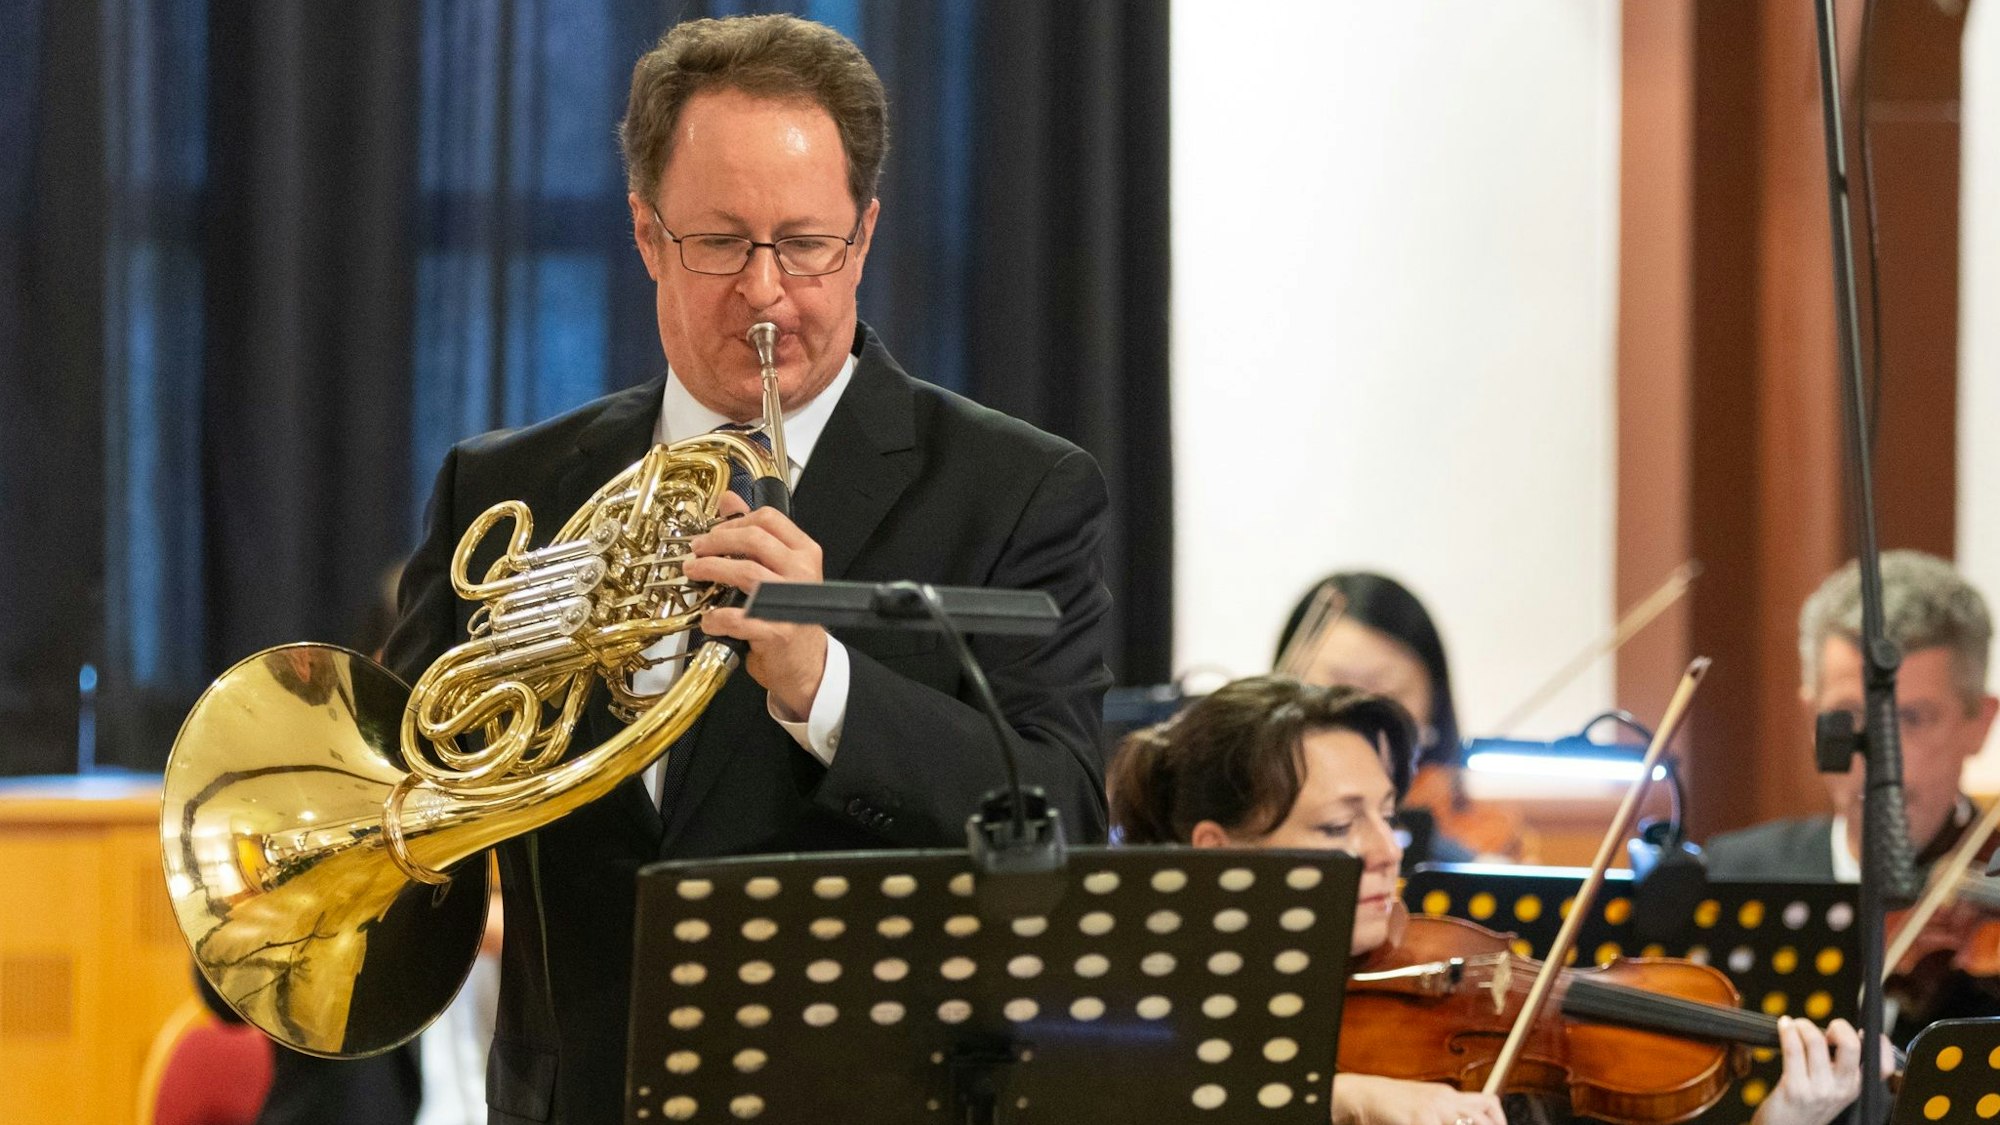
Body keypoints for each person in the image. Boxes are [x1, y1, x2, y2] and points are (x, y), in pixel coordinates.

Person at [380, 15, 1113, 1124]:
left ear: (861, 237)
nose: (766, 293)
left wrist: (826, 684)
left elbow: (1055, 824)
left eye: (805, 243)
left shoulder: (1014, 490)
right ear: (643, 231)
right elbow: (407, 778)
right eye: (718, 242)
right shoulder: (503, 485)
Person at [1110, 675, 1871, 1125]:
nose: (1387, 846)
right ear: (1216, 851)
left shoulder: (1467, 1054)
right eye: (1342, 823)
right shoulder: (1139, 1017)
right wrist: (1349, 1095)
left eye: (1387, 810)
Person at [1704, 549, 2000, 1038]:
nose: (1881, 756)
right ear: (1812, 718)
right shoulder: (1730, 878)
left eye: (1913, 718)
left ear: (1980, 724)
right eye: (1850, 718)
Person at [1276, 571, 1526, 863]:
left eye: (1386, 693)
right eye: (1334, 691)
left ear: (1433, 699)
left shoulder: (1485, 836)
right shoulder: (1258, 819)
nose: (1360, 719)